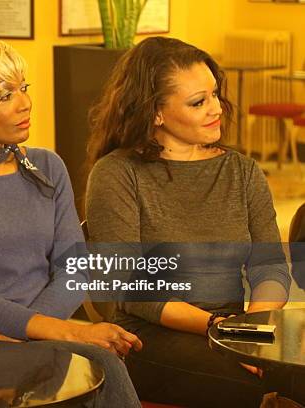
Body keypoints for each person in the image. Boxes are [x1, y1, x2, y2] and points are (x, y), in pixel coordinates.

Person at [0, 36, 142, 407]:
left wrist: (31, 335)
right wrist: (61, 332)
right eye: (5, 95)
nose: (25, 103)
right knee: (102, 361)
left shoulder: (48, 166)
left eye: (23, 88)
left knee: (107, 363)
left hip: (39, 339)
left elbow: (74, 271)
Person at [84, 36, 291, 407]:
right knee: (246, 385)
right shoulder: (116, 174)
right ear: (156, 113)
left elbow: (270, 263)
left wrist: (255, 327)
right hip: (149, 335)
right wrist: (218, 329)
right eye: (198, 102)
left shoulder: (242, 170)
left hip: (232, 326)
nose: (216, 109)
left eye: (214, 94)